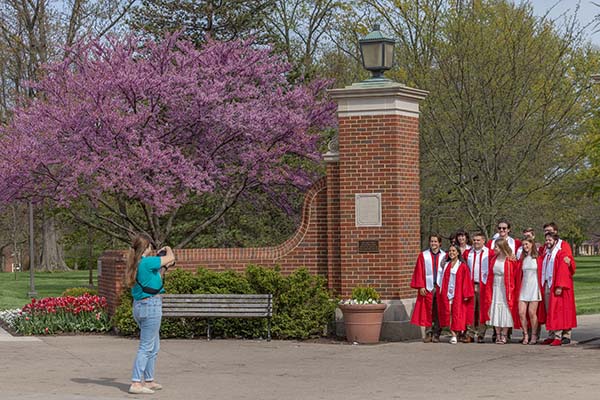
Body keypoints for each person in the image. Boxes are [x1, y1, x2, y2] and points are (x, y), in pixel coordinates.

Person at [125, 233, 175, 394]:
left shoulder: (137, 264)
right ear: (146, 247)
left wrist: (163, 269)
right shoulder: (147, 262)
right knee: (146, 347)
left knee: (154, 346)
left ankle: (149, 380)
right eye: (151, 247)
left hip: (140, 306)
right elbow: (171, 257)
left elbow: (154, 282)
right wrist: (167, 248)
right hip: (151, 306)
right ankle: (135, 383)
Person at [540, 232, 577, 346]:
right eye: (546, 240)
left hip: (555, 286)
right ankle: (551, 335)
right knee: (548, 311)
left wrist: (559, 286)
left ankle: (558, 336)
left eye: (550, 240)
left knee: (556, 311)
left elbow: (563, 271)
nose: (548, 242)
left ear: (555, 241)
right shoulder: (547, 254)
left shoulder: (560, 254)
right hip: (547, 284)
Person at [410, 234, 447, 343]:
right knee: (427, 311)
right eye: (431, 241)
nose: (433, 243)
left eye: (435, 241)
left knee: (438, 310)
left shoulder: (445, 256)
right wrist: (421, 286)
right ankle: (428, 332)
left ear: (440, 243)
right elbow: (419, 271)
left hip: (440, 287)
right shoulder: (423, 255)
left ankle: (437, 333)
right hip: (427, 287)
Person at [436, 244, 474, 344]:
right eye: (450, 251)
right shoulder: (446, 265)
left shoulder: (462, 266)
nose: (451, 253)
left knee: (457, 313)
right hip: (447, 293)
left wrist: (466, 294)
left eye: (454, 251)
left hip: (458, 293)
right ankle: (453, 334)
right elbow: (443, 279)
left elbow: (466, 281)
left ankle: (458, 332)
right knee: (448, 312)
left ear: (458, 253)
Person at [485, 238, 519, 344]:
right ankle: (497, 334)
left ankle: (504, 334)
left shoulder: (510, 260)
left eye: (496, 247)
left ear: (501, 248)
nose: (494, 248)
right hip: (495, 286)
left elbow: (515, 274)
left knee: (506, 309)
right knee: (495, 308)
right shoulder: (493, 259)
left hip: (506, 288)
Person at [463, 232, 493, 343]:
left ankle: (481, 334)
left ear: (483, 241)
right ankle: (470, 333)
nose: (476, 242)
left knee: (482, 310)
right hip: (471, 284)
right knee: (470, 310)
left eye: (478, 240)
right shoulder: (468, 253)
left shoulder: (489, 253)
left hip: (484, 285)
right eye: (474, 240)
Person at [516, 238, 542, 345]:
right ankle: (525, 334)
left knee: (532, 313)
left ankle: (534, 335)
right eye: (523, 245)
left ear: (532, 244)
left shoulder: (538, 258)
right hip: (524, 287)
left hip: (534, 287)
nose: (525, 246)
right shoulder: (522, 258)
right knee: (521, 313)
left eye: (526, 244)